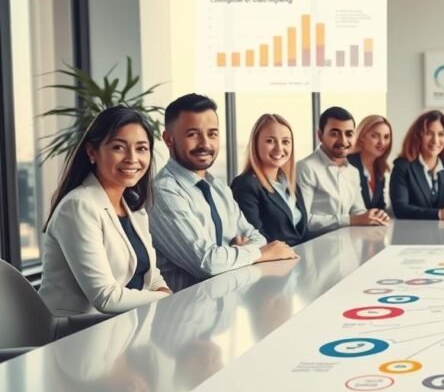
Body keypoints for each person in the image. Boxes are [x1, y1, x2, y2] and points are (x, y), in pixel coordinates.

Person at [149, 94, 298, 291]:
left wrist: (236, 253)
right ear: (169, 139)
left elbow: (256, 236)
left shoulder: (217, 187)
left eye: (212, 134)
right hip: (186, 313)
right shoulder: (164, 191)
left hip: (225, 305)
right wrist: (261, 253)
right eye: (193, 134)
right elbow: (207, 263)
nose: (205, 144)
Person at [39, 106, 172, 315]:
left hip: (122, 325)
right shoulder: (78, 206)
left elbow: (151, 274)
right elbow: (105, 297)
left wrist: (163, 292)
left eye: (142, 148)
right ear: (92, 152)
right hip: (74, 333)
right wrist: (166, 299)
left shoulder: (134, 207)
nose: (132, 158)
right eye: (119, 147)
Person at [296, 107, 389, 236]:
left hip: (348, 246)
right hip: (316, 248)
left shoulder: (353, 172)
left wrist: (374, 216)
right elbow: (303, 221)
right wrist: (351, 219)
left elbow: (359, 212)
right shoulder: (306, 168)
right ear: (320, 135)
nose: (343, 141)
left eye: (349, 134)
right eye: (335, 133)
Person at [230, 114, 309, 246]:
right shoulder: (245, 185)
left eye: (285, 142)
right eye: (270, 141)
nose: (279, 148)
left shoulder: (290, 184)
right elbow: (255, 239)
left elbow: (302, 233)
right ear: (255, 144)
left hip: (298, 259)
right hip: (272, 264)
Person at [390, 110, 444, 220]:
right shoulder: (402, 166)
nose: (435, 140)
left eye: (441, 134)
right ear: (418, 136)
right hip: (411, 234)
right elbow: (400, 209)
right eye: (429, 133)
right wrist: (439, 214)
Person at [347, 114, 393, 212]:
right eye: (375, 136)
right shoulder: (347, 164)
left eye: (386, 137)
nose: (382, 142)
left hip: (370, 227)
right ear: (362, 137)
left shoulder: (380, 168)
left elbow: (379, 207)